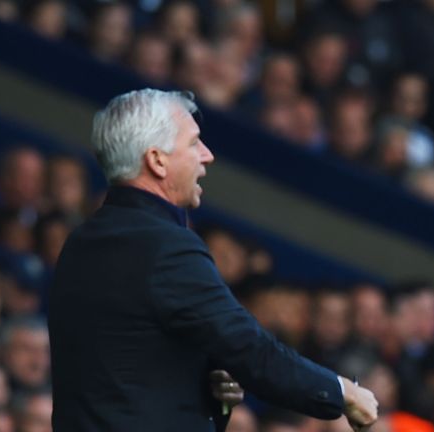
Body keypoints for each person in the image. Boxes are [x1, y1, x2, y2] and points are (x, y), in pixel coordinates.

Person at [48, 89, 378, 431]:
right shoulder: (166, 247)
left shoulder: (81, 242)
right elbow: (249, 349)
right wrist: (343, 393)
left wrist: (208, 392)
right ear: (157, 160)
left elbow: (123, 369)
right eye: (194, 143)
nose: (207, 155)